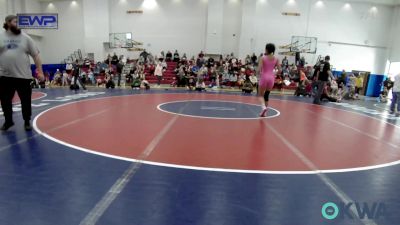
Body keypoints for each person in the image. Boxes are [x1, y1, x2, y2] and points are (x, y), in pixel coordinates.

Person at [0, 15, 44, 131]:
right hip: (5, 76)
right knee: (5, 101)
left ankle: (26, 121)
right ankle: (8, 121)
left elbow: (36, 55)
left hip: (23, 76)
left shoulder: (25, 38)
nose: (18, 24)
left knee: (25, 100)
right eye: (15, 22)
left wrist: (40, 72)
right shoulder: (0, 37)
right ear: (8, 23)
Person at [258, 43, 281, 117]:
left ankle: (263, 107)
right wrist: (274, 74)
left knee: (260, 95)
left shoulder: (263, 57)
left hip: (264, 77)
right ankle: (264, 113)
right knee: (266, 95)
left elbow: (258, 70)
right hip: (271, 78)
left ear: (267, 49)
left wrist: (258, 73)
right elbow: (280, 70)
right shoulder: (276, 58)